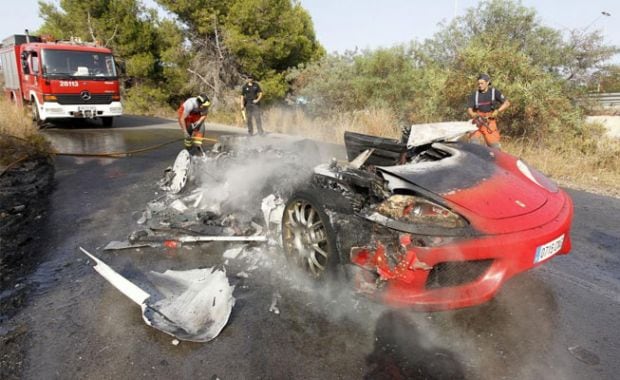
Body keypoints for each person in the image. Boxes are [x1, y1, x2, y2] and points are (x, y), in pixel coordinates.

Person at [467, 73, 510, 149]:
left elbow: (507, 103)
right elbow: (469, 109)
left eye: (482, 83)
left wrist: (497, 111)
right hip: (477, 122)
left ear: (487, 83)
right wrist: (473, 114)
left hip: (489, 122)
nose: (480, 85)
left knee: (495, 148)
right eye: (478, 83)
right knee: (473, 146)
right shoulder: (474, 95)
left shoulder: (494, 92)